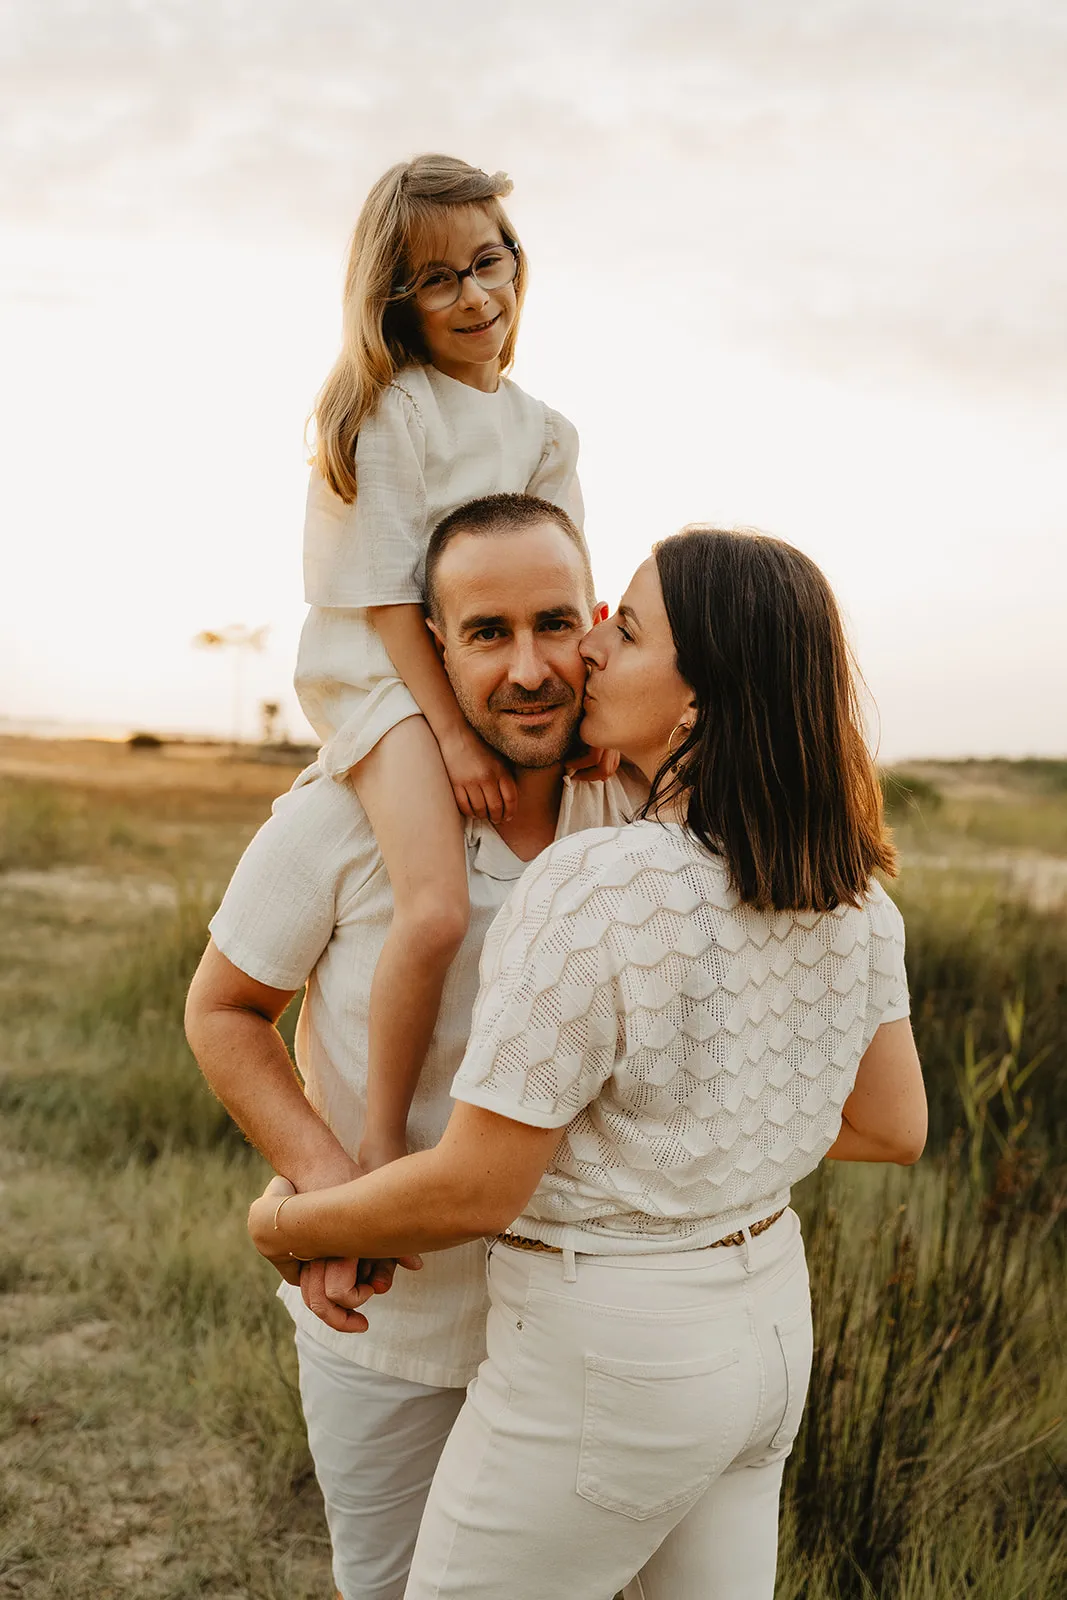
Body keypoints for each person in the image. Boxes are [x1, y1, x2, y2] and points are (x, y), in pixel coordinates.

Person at [249, 526, 928, 1600]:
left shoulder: (596, 880)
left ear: (696, 700)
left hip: (615, 1354)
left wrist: (280, 1223)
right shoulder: (850, 893)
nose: (592, 650)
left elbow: (481, 1183)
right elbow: (895, 1125)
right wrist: (680, 1128)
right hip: (763, 1332)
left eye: (627, 625)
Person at [186, 495, 645, 1600]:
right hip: (390, 1332)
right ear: (433, 646)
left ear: (590, 623)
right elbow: (223, 1008)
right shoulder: (345, 815)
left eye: (549, 624)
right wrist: (336, 1189)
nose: (528, 668)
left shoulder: (639, 811)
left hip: (587, 1329)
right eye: (486, 633)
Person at [296, 153, 591, 1177]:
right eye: (436, 278)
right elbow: (384, 599)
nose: (473, 296)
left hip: (486, 676)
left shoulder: (545, 432)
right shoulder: (394, 411)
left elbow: (563, 595)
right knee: (433, 907)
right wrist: (456, 738)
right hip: (384, 679)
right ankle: (379, 1135)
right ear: (395, 298)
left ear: (517, 263)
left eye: (488, 262)